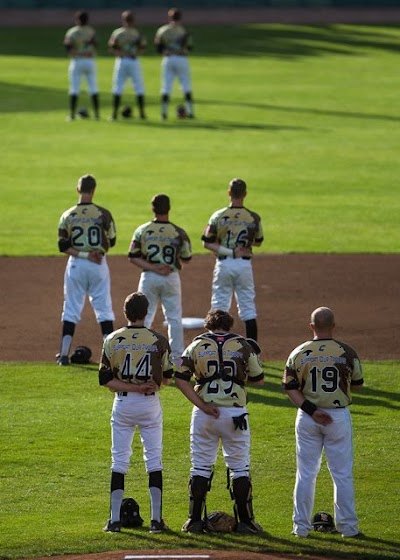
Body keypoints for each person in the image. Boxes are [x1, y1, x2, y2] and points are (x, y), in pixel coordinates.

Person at [174, 309, 265, 535]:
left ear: (208, 326)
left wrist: (203, 405)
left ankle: (194, 522)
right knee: (239, 467)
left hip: (205, 414)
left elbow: (180, 378)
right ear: (229, 325)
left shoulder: (195, 346)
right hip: (235, 413)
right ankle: (246, 523)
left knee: (201, 466)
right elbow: (259, 379)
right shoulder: (243, 345)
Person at [282, 306, 364, 539]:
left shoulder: (298, 352)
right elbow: (357, 384)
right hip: (337, 417)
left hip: (308, 417)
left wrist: (312, 410)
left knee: (306, 473)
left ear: (312, 326)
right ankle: (348, 528)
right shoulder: (346, 351)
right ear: (333, 326)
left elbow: (289, 387)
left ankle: (301, 528)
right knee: (342, 474)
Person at [99, 292, 173, 534]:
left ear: (125, 312)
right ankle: (156, 521)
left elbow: (105, 379)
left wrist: (132, 387)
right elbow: (168, 378)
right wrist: (149, 384)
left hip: (123, 405)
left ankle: (114, 521)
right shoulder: (159, 340)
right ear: (146, 312)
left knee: (119, 461)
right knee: (154, 460)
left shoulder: (112, 339)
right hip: (149, 404)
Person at [57, 174, 116, 365]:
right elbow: (112, 240)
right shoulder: (104, 214)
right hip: (99, 265)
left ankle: (64, 355)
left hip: (76, 264)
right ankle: (110, 359)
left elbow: (63, 246)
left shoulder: (67, 215)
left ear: (78, 189)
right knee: (104, 310)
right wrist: (94, 252)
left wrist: (83, 254)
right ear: (94, 190)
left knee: (71, 309)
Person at [128, 193, 192, 364]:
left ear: (153, 208)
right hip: (171, 277)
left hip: (149, 277)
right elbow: (186, 257)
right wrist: (169, 265)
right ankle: (177, 358)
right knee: (174, 317)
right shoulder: (179, 232)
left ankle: (140, 354)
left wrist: (154, 267)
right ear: (169, 208)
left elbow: (133, 256)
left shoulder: (142, 230)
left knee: (144, 316)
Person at [202, 178, 263, 342]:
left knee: (219, 306)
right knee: (248, 309)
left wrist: (229, 251)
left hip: (224, 263)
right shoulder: (253, 217)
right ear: (245, 194)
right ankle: (253, 353)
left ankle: (215, 348)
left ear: (229, 193)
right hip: (244, 265)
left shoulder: (218, 216)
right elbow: (258, 241)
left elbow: (207, 242)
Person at [154, 7, 194, 120]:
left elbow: (157, 46)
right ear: (180, 18)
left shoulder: (162, 30)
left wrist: (167, 51)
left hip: (168, 59)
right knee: (186, 85)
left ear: (169, 17)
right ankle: (190, 112)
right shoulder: (184, 31)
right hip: (182, 59)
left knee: (166, 86)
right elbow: (190, 47)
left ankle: (164, 113)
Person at [108, 10, 147, 121]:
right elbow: (143, 47)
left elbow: (111, 47)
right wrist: (134, 53)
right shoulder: (137, 33)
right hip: (134, 61)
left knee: (118, 86)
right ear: (133, 20)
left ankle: (114, 114)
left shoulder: (118, 33)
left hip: (121, 61)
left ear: (123, 20)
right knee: (139, 87)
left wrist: (120, 54)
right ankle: (142, 114)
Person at [63, 10, 100, 121]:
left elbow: (67, 46)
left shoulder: (72, 32)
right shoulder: (91, 31)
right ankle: (97, 114)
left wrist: (77, 52)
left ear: (77, 20)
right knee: (93, 87)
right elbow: (96, 44)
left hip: (77, 61)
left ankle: (72, 114)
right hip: (89, 61)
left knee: (74, 88)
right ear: (87, 20)